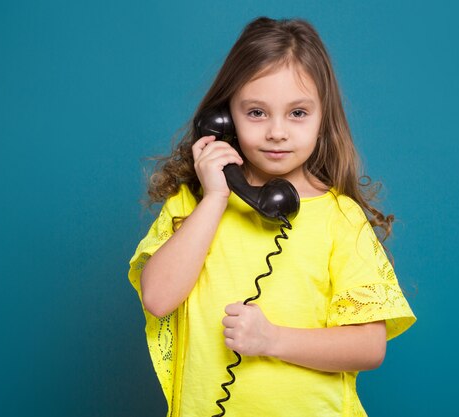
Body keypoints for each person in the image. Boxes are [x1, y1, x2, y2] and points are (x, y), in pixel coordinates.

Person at [128, 16, 416, 417]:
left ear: (322, 119)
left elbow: (369, 347)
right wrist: (214, 198)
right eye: (257, 113)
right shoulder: (194, 204)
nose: (277, 132)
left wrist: (271, 340)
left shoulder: (339, 218)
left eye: (297, 113)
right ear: (223, 118)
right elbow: (157, 299)